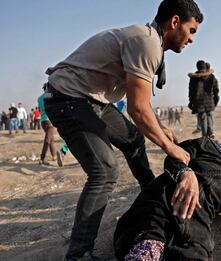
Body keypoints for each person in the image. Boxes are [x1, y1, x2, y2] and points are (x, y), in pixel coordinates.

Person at [42, 1, 204, 260]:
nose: (192, 39)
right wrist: (169, 146)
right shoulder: (147, 42)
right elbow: (137, 109)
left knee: (133, 139)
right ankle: (79, 253)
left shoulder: (152, 41)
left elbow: (140, 102)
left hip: (94, 100)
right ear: (175, 22)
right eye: (192, 30)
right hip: (68, 98)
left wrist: (161, 129)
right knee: (104, 171)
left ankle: (152, 196)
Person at [114, 137, 221, 261]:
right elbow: (175, 156)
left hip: (194, 224)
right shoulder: (208, 144)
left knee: (194, 254)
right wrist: (185, 172)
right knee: (146, 248)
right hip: (162, 202)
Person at [188, 60, 219, 138]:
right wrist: (215, 101)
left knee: (203, 119)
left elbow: (191, 92)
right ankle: (211, 134)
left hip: (199, 103)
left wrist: (191, 102)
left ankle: (205, 137)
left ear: (197, 67)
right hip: (210, 102)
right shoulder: (211, 77)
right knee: (210, 117)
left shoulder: (193, 78)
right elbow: (216, 90)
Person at [38, 94, 57, 165]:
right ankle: (42, 158)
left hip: (43, 121)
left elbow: (40, 109)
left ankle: (54, 156)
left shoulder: (39, 98)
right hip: (49, 121)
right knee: (48, 139)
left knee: (51, 138)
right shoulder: (50, 95)